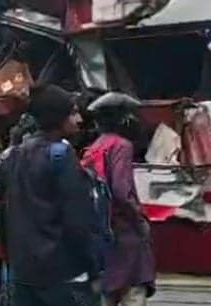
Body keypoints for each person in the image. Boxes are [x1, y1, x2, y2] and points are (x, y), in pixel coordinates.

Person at [0, 84, 101, 306]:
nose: (79, 119)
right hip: (61, 272)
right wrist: (92, 264)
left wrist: (11, 258)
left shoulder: (11, 157)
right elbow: (77, 219)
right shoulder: (61, 156)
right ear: (58, 117)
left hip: (23, 272)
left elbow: (0, 214)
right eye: (72, 113)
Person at [85, 93, 156, 306]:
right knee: (133, 288)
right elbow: (121, 190)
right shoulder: (121, 145)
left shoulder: (96, 146)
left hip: (103, 231)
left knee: (107, 290)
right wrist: (139, 218)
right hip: (124, 231)